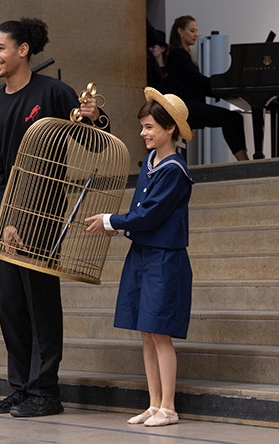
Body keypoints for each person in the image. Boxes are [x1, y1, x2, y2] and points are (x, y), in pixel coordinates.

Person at [0, 17, 105, 418]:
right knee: (10, 306)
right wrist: (4, 218)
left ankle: (46, 392)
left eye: (0, 48)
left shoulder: (54, 93)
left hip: (46, 213)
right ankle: (20, 387)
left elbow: (93, 142)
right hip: (8, 221)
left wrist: (95, 118)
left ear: (23, 50)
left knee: (40, 305)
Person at [85, 87, 194, 427]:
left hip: (164, 258)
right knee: (146, 331)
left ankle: (169, 407)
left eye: (149, 127)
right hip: (142, 255)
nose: (143, 133)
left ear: (169, 129)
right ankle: (153, 402)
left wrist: (110, 221)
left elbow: (149, 215)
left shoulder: (174, 169)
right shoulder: (150, 161)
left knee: (160, 332)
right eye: (143, 126)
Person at [159, 15, 249, 161]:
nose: (195, 34)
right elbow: (195, 79)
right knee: (229, 118)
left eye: (196, 31)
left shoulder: (182, 54)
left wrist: (221, 91)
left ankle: (243, 158)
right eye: (192, 30)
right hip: (184, 106)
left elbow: (195, 82)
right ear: (180, 31)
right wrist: (222, 87)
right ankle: (243, 160)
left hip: (188, 104)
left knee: (235, 117)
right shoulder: (178, 54)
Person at [146, 20, 168, 88]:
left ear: (162, 49)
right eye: (149, 47)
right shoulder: (148, 67)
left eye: (153, 47)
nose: (150, 49)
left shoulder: (168, 68)